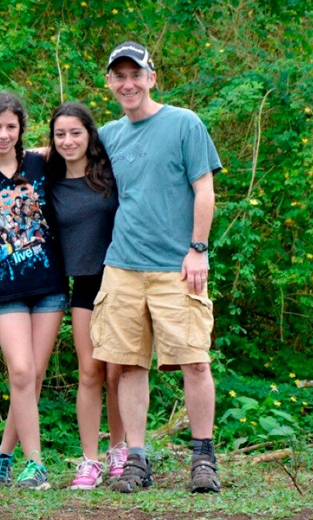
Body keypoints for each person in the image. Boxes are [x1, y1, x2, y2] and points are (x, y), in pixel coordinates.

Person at [91, 42, 221, 493]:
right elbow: (59, 148)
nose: (128, 83)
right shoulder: (108, 134)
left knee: (196, 363)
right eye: (118, 76)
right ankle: (137, 460)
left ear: (152, 77)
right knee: (128, 366)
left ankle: (203, 458)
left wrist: (197, 248)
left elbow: (204, 189)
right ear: (109, 83)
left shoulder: (184, 123)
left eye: (135, 74)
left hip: (177, 266)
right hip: (123, 266)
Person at [0, 92, 67, 490]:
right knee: (21, 371)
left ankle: (3, 456)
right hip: (3, 289)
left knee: (33, 377)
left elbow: (77, 145)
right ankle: (35, 464)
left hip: (48, 285)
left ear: (22, 129)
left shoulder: (41, 163)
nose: (3, 134)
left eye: (10, 126)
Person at [45, 102, 126, 490]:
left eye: (75, 132)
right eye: (60, 134)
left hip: (121, 279)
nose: (68, 140)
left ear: (90, 134)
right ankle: (89, 460)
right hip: (83, 286)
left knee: (118, 371)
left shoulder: (110, 174)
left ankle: (121, 452)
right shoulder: (50, 180)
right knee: (91, 371)